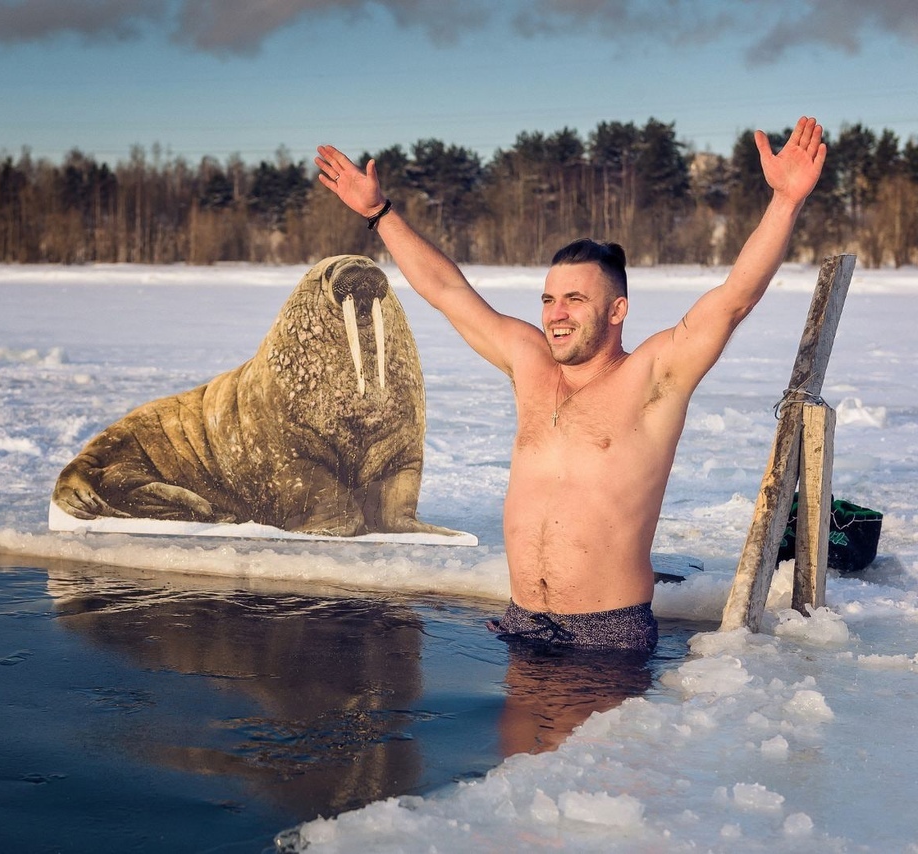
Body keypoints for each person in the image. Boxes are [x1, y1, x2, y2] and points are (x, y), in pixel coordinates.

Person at [315, 116, 827, 651]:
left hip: (604, 634)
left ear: (616, 310)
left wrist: (785, 201)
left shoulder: (653, 375)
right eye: (548, 299)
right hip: (521, 621)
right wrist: (379, 213)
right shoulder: (528, 362)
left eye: (575, 300)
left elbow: (732, 299)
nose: (556, 314)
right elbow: (447, 290)